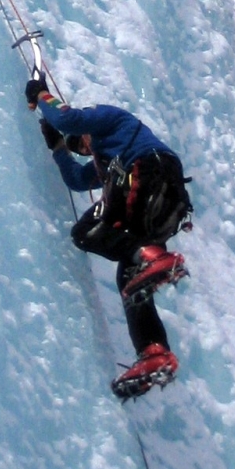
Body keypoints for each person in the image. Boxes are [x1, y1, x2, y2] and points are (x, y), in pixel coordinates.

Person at [26, 73, 193, 399]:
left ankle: (153, 257)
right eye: (81, 148)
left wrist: (42, 94)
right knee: (130, 279)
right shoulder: (106, 162)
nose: (85, 147)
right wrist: (60, 148)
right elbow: (76, 179)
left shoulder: (111, 119)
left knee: (87, 230)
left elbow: (68, 117)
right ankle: (153, 351)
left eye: (82, 140)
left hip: (147, 173)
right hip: (161, 201)